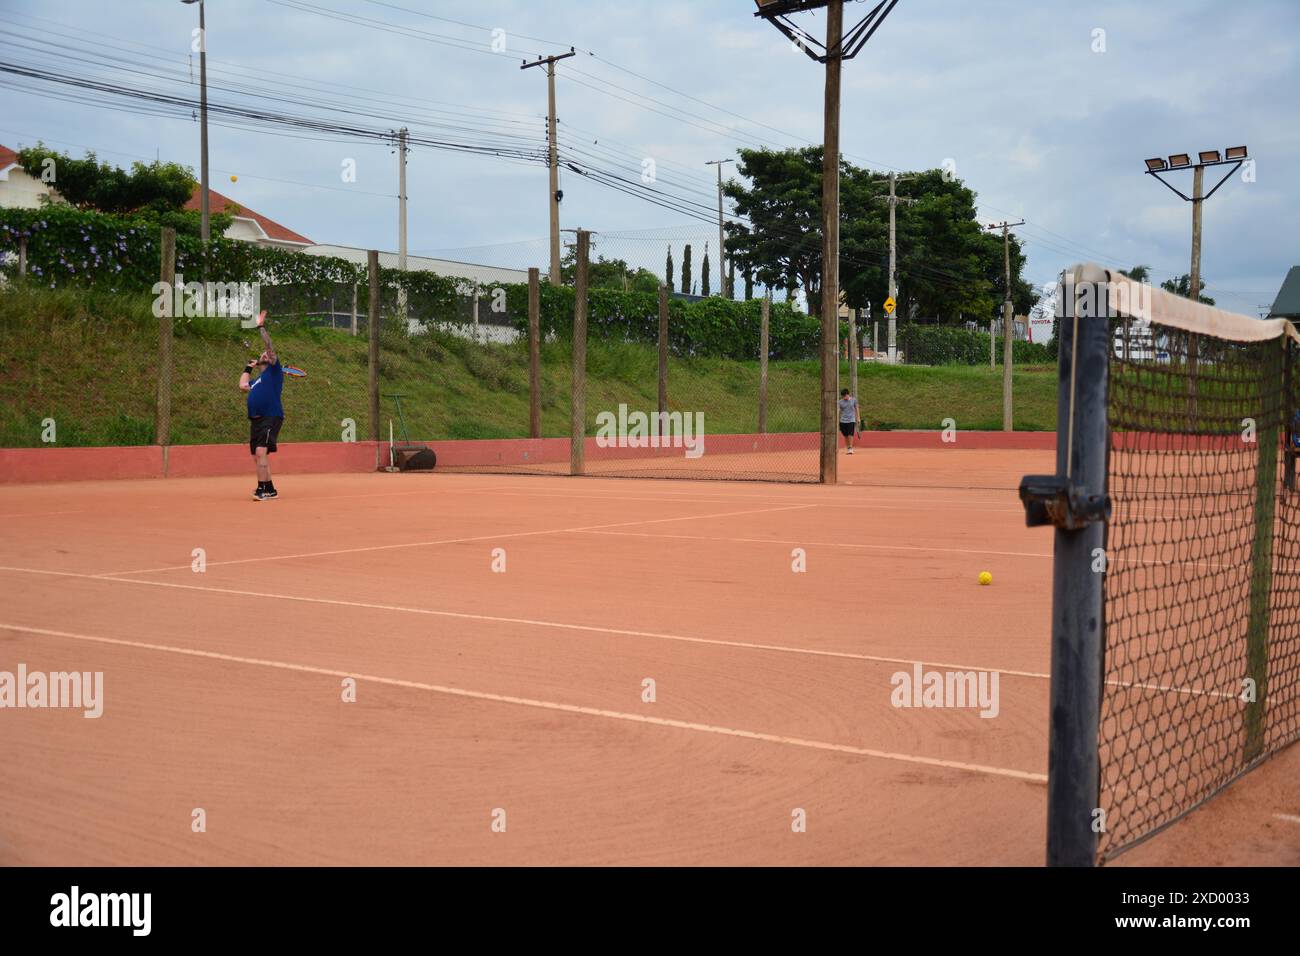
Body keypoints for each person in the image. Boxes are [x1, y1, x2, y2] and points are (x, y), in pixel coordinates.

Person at [239, 311, 284, 500]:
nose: (265, 353)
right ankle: (270, 489)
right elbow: (242, 386)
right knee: (257, 456)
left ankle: (261, 490)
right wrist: (248, 368)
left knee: (260, 452)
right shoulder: (258, 379)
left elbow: (269, 345)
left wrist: (261, 327)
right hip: (256, 419)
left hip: (271, 416)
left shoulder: (274, 370)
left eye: (267, 353)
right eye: (262, 354)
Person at [838, 387, 859, 454]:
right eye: (843, 396)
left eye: (845, 395)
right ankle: (848, 447)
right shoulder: (840, 402)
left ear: (848, 394)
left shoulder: (853, 400)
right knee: (845, 435)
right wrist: (837, 419)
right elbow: (839, 411)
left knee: (850, 434)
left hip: (851, 420)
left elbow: (857, 408)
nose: (845, 397)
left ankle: (850, 448)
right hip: (843, 421)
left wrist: (858, 417)